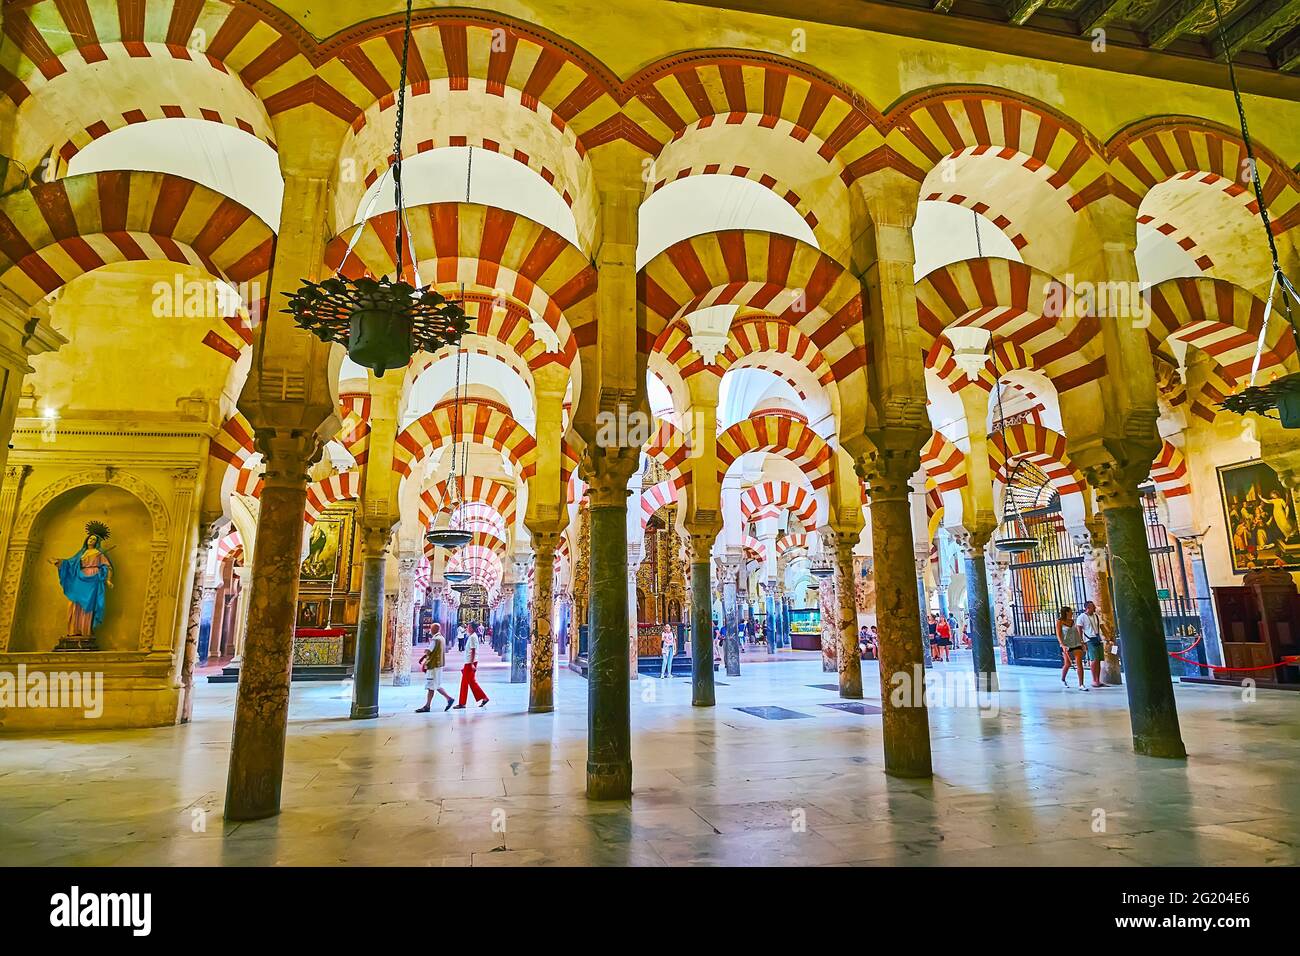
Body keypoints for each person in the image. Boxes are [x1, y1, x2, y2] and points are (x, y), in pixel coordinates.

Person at [415, 623, 454, 712]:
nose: (430, 630)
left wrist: (423, 657)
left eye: (431, 628)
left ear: (434, 629)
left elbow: (429, 651)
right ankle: (430, 705)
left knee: (432, 685)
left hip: (433, 666)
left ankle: (446, 699)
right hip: (439, 665)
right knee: (434, 685)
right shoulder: (442, 638)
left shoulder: (435, 639)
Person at [454, 622, 490, 709]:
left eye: (469, 627)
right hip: (469, 662)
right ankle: (482, 698)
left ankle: (463, 703)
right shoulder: (471, 636)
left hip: (470, 663)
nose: (467, 628)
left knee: (467, 682)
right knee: (468, 682)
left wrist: (471, 664)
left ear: (473, 628)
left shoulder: (473, 637)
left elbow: (473, 651)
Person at [1056, 606, 1087, 691]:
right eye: (1070, 611)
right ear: (1066, 612)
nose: (1072, 613)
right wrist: (1062, 645)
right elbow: (1058, 634)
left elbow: (1077, 632)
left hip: (1076, 643)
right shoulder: (1059, 621)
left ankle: (1081, 684)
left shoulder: (1073, 621)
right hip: (1066, 645)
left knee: (1079, 663)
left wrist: (1082, 642)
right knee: (1068, 664)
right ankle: (1063, 679)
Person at [1076, 600, 1104, 688]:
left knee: (1098, 660)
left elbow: (1101, 626)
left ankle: (1097, 680)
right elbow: (1079, 629)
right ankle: (1093, 680)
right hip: (1089, 640)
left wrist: (1107, 636)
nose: (1095, 608)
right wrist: (1081, 641)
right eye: (1093, 606)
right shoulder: (1081, 617)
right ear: (1087, 608)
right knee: (1094, 660)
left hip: (1097, 639)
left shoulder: (1096, 616)